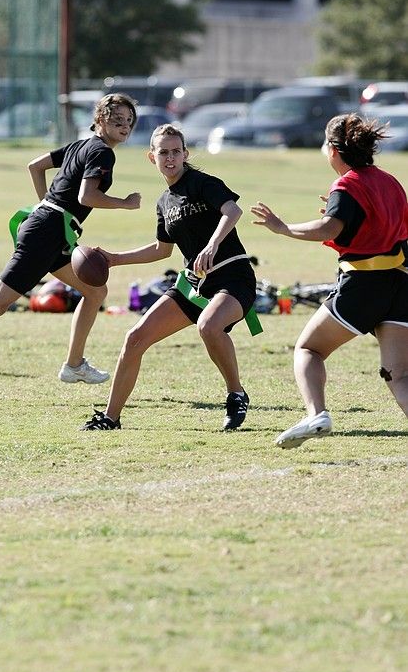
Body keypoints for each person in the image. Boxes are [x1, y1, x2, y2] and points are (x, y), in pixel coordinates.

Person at [0, 93, 141, 400]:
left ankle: (74, 365)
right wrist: (125, 204)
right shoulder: (102, 152)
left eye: (129, 121)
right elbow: (87, 197)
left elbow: (35, 166)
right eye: (117, 120)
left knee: (95, 291)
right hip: (47, 231)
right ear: (100, 119)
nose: (125, 126)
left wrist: (45, 204)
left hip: (53, 229)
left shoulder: (81, 145)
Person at [81, 123, 258, 432]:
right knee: (134, 338)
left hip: (233, 276)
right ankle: (110, 418)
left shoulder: (204, 183)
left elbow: (232, 211)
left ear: (185, 153)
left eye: (176, 151)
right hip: (193, 285)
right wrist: (115, 259)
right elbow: (162, 250)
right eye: (163, 152)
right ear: (152, 157)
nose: (170, 158)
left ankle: (236, 393)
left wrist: (212, 244)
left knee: (209, 326)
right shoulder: (164, 202)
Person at [251, 113, 408, 449]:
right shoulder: (390, 181)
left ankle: (317, 414)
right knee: (400, 373)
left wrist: (283, 227)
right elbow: (386, 229)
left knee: (309, 349)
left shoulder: (347, 185)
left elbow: (329, 230)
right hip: (400, 284)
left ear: (333, 151)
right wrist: (342, 214)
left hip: (363, 285)